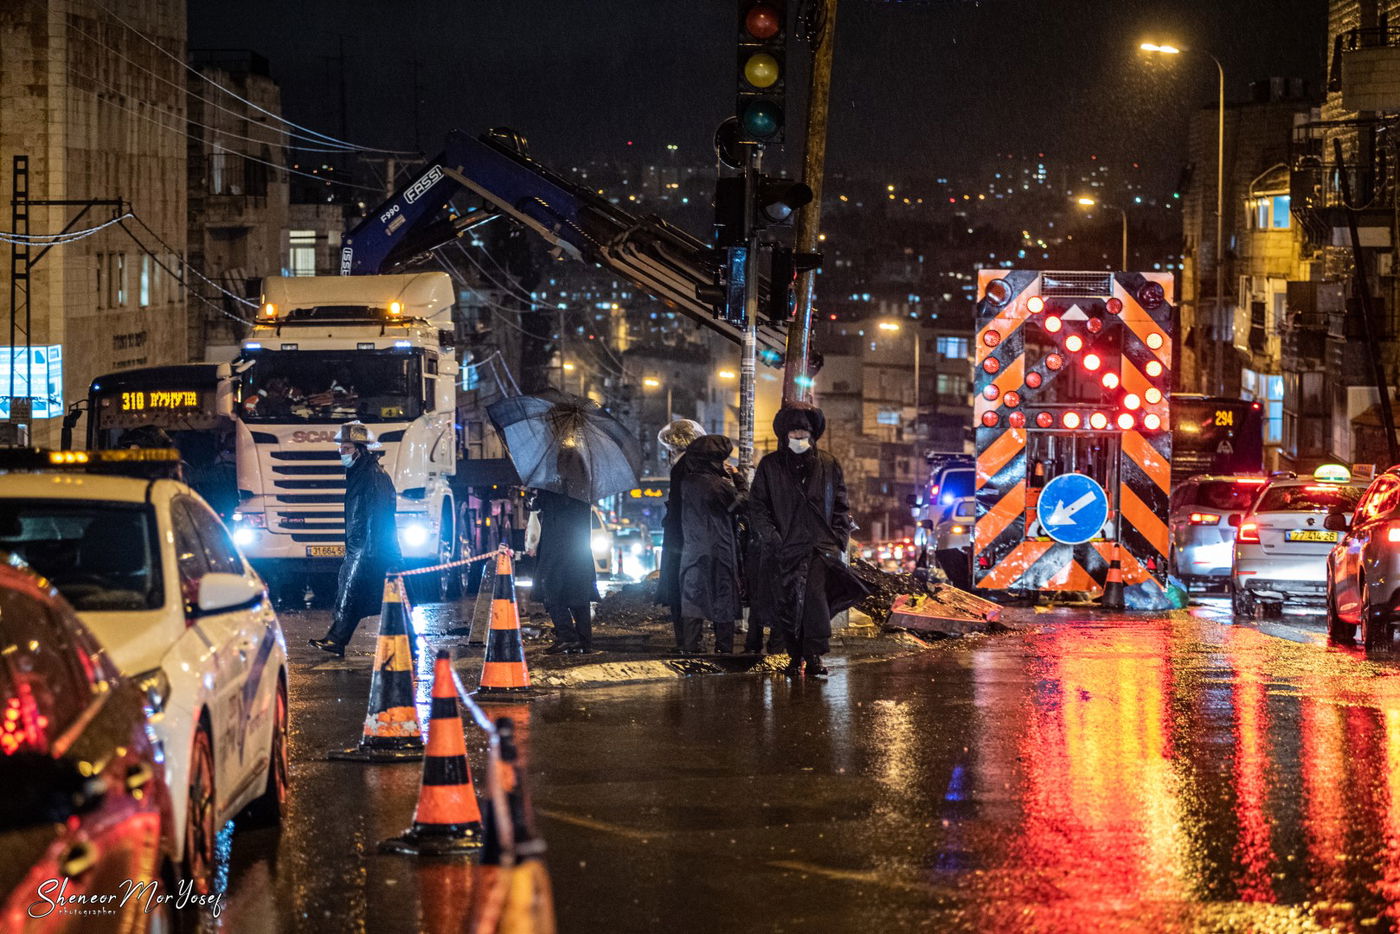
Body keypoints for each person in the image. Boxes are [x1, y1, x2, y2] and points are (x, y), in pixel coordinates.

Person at [748, 402, 853, 678]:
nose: (798, 440)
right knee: (787, 605)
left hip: (819, 548)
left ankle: (814, 656)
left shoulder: (828, 464)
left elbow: (841, 505)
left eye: (803, 434)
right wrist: (773, 539)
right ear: (784, 436)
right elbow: (758, 506)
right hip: (784, 549)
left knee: (814, 604)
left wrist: (839, 539)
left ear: (812, 435)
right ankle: (795, 657)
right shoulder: (770, 466)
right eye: (793, 434)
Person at [310, 421, 402, 656]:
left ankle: (337, 639)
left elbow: (375, 513)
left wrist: (365, 551)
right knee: (368, 594)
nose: (342, 453)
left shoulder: (370, 475)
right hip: (369, 547)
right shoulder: (364, 472)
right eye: (341, 448)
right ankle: (336, 639)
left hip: (368, 548)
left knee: (355, 591)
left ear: (360, 450)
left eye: (347, 448)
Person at [676, 435, 744, 653]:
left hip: (693, 549)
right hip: (719, 549)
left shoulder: (687, 482)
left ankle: (691, 647)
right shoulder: (718, 485)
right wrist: (738, 478)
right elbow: (744, 502)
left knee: (694, 599)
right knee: (723, 598)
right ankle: (724, 649)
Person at [528, 487, 599, 654]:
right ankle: (584, 639)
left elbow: (547, 505)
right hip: (579, 547)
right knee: (578, 590)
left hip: (557, 546)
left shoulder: (554, 482)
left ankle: (568, 637)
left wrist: (535, 499)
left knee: (550, 590)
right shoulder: (583, 485)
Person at [655, 418, 705, 653]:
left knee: (679, 587)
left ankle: (687, 642)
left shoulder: (683, 467)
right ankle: (688, 641)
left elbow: (680, 502)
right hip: (688, 535)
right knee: (685, 587)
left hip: (680, 538)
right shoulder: (695, 465)